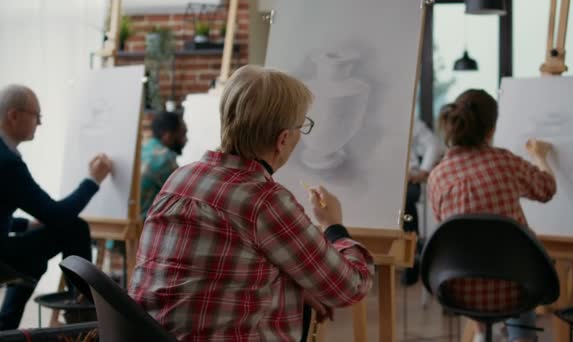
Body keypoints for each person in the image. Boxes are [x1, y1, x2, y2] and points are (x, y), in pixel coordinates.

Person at [129, 65, 374, 341]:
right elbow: (351, 286)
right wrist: (333, 226)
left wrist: (291, 289)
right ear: (283, 139)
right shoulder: (265, 201)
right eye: (301, 127)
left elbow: (211, 278)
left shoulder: (180, 179)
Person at [427, 89, 557, 342]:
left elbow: (448, 233)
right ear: (491, 130)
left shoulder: (437, 176)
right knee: (517, 268)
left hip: (457, 290)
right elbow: (547, 189)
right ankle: (521, 337)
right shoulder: (504, 162)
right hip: (516, 287)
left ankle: (480, 335)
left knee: (472, 253)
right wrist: (540, 157)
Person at [0, 84, 113, 330]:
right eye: (36, 115)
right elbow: (57, 215)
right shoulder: (7, 162)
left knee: (33, 258)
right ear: (14, 115)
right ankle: (82, 312)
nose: (39, 123)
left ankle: (6, 327)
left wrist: (28, 224)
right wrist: (93, 180)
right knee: (74, 228)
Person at [401, 117, 444, 286]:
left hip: (407, 179)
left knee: (405, 201)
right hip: (377, 182)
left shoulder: (408, 117)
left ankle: (412, 255)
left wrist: (424, 170)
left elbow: (433, 144)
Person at [140, 111, 188, 219]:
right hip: (141, 231)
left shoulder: (142, 149)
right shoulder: (165, 158)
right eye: (182, 134)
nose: (186, 140)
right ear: (167, 135)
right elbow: (183, 201)